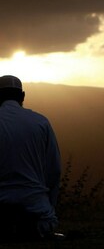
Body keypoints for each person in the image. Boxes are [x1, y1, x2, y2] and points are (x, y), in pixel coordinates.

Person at [0, 75, 63, 241]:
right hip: (39, 214)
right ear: (22, 96)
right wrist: (49, 206)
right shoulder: (41, 122)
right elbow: (54, 170)